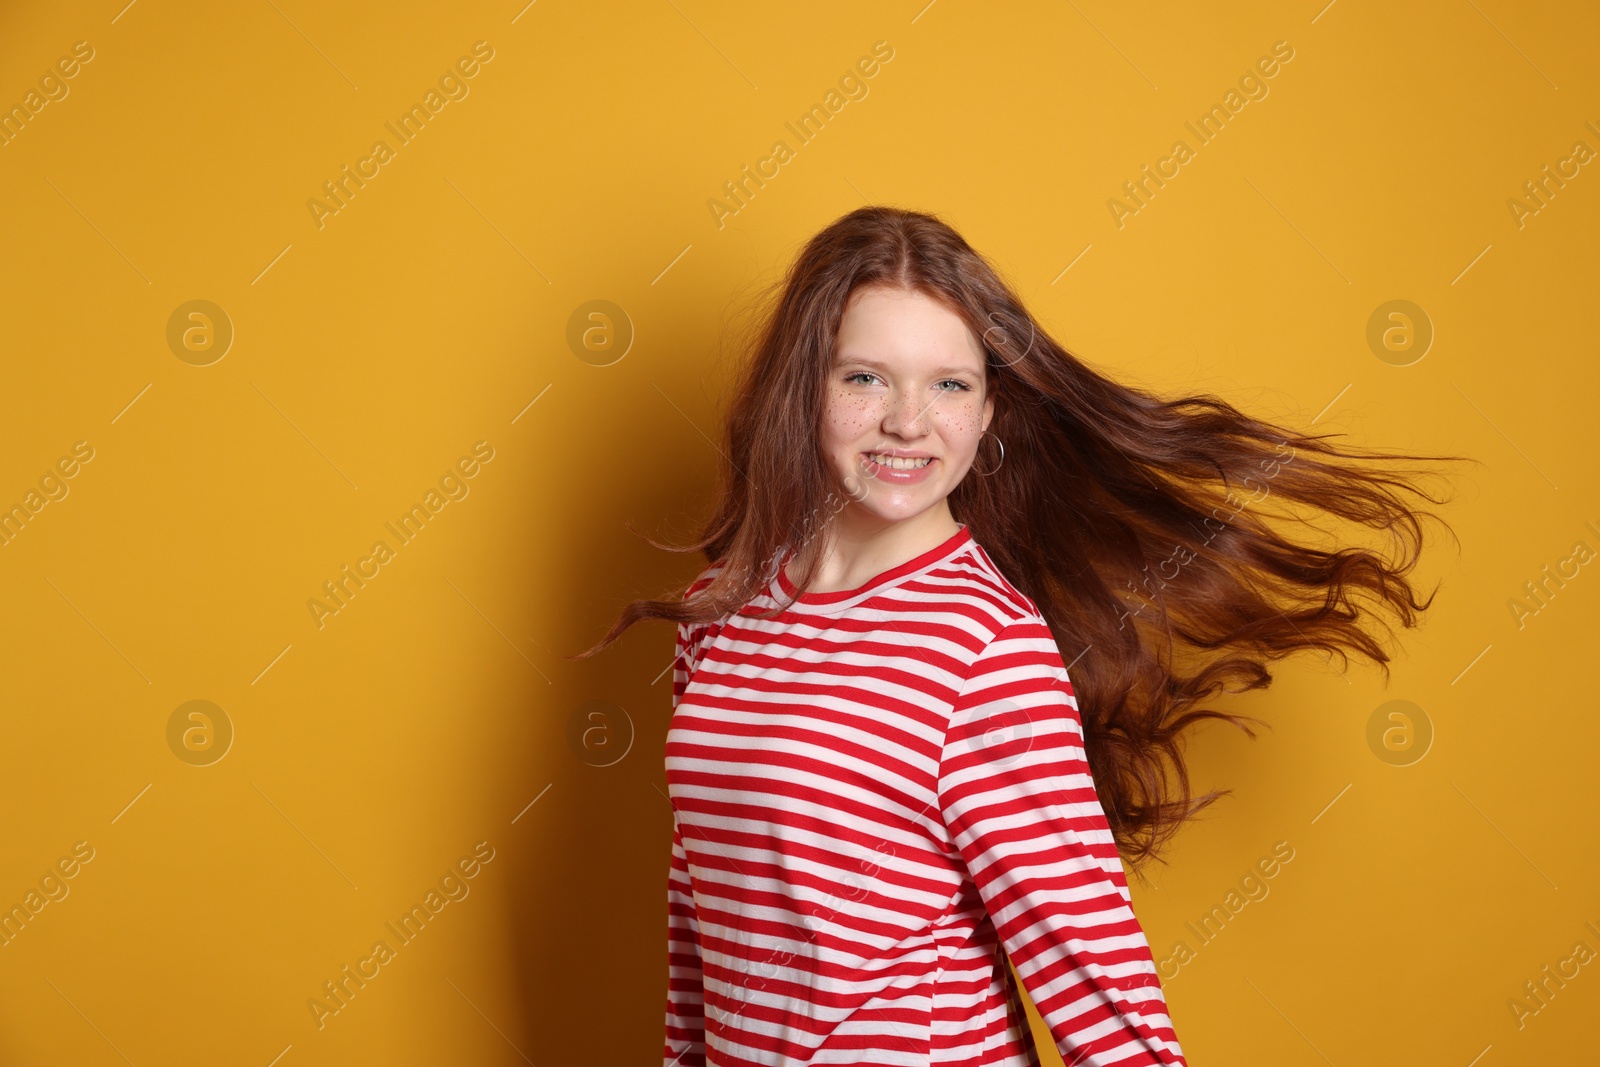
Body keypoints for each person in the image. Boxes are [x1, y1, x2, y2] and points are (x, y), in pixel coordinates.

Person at [579, 206, 1456, 1065]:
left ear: (990, 411)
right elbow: (702, 914)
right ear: (801, 386)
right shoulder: (722, 610)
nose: (908, 422)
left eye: (950, 384)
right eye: (865, 377)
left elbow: (1096, 976)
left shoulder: (984, 646)